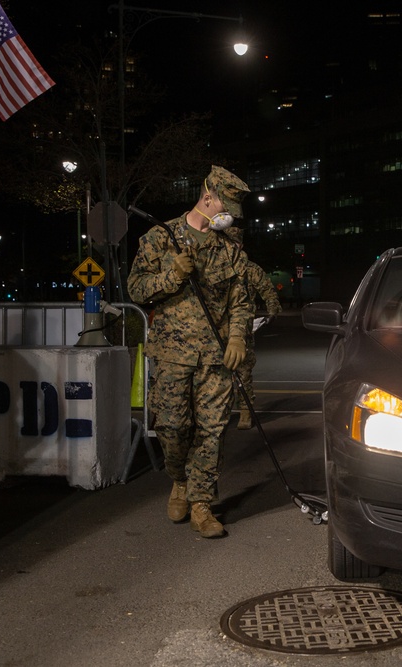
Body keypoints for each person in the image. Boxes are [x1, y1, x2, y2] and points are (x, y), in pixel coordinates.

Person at [127, 165, 252, 539]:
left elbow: (240, 299)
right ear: (208, 195)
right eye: (224, 206)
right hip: (171, 355)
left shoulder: (230, 246)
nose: (227, 214)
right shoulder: (159, 239)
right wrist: (171, 276)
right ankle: (178, 479)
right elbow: (136, 289)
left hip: (216, 357)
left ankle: (201, 504)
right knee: (173, 427)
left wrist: (238, 337)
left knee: (212, 431)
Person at [222, 226, 283, 430]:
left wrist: (273, 308)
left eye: (235, 243)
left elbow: (266, 289)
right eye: (228, 243)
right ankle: (218, 411)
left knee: (243, 371)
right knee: (216, 372)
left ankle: (246, 411)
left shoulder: (250, 269)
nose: (232, 247)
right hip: (218, 328)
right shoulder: (216, 267)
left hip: (243, 328)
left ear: (241, 245)